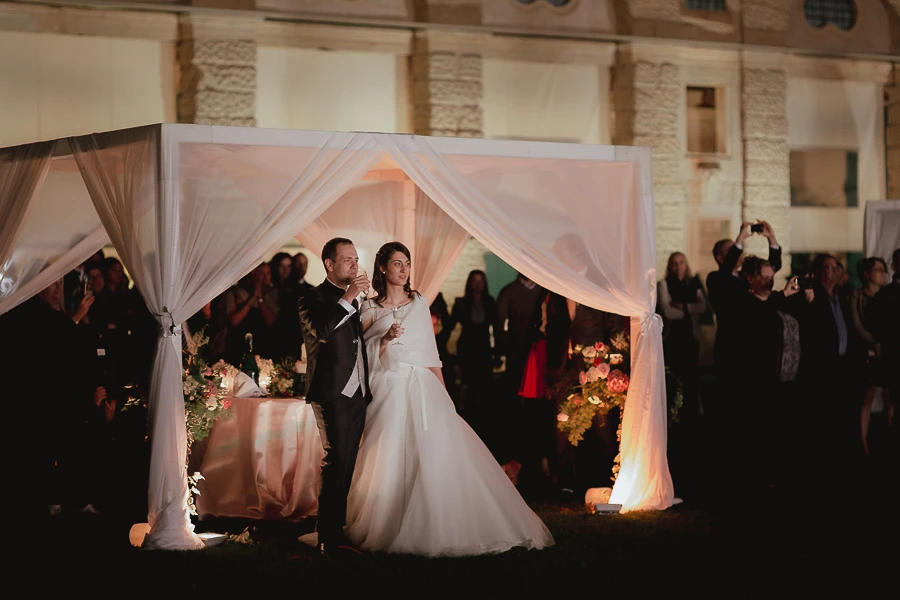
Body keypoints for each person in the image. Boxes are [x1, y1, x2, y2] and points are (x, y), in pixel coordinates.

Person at [345, 242, 554, 557]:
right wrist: (384, 342)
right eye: (397, 264)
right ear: (384, 268)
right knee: (388, 457)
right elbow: (362, 357)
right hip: (388, 387)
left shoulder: (418, 303)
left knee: (432, 455)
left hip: (421, 386)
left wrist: (444, 397)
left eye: (407, 264)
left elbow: (431, 353)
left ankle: (439, 523)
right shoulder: (370, 309)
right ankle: (388, 521)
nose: (403, 270)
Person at [297, 237, 372, 557]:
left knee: (348, 462)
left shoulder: (357, 298)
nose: (355, 265)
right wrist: (351, 295)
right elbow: (324, 330)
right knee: (336, 460)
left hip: (359, 392)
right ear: (329, 264)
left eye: (356, 260)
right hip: (331, 392)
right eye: (348, 261)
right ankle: (328, 537)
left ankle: (335, 530)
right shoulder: (311, 297)